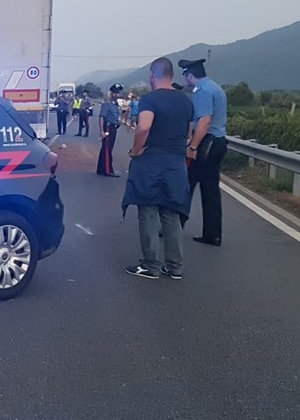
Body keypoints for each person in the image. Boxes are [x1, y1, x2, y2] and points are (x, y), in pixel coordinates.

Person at [122, 57, 193, 279]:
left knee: (148, 212)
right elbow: (188, 132)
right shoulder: (185, 101)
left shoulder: (150, 99)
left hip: (151, 164)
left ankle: (151, 265)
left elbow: (144, 127)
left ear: (153, 75)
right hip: (176, 165)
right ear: (172, 75)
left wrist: (135, 151)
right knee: (171, 214)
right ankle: (175, 267)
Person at [180, 58, 229, 246]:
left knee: (186, 184)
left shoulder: (202, 91)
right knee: (210, 190)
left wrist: (192, 147)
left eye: (185, 75)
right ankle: (213, 234)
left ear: (190, 75)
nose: (185, 79)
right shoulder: (214, 87)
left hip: (205, 144)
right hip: (218, 141)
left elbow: (204, 121)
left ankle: (174, 226)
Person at [96, 83, 124, 177]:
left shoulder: (115, 104)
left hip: (113, 127)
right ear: (111, 94)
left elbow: (116, 115)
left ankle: (101, 169)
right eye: (115, 93)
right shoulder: (106, 104)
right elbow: (101, 117)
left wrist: (118, 122)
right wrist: (101, 131)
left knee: (106, 148)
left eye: (118, 93)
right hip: (108, 127)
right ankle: (108, 170)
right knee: (107, 149)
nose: (117, 95)